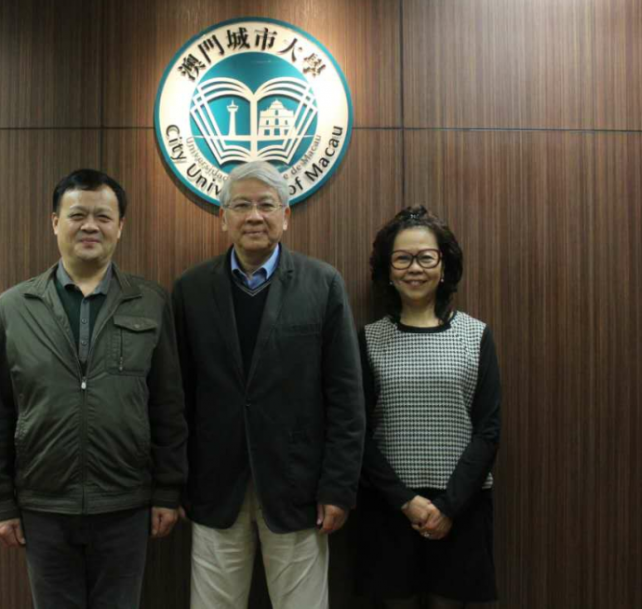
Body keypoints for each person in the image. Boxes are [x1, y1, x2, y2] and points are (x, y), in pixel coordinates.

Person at [0, 169, 187, 609]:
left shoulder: (149, 302)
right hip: (44, 505)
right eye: (77, 215)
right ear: (54, 222)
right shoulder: (14, 306)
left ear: (120, 226)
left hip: (126, 504)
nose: (90, 226)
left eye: (103, 216)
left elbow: (168, 406)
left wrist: (168, 491)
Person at [172, 161, 365, 609]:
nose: (254, 216)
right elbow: (176, 396)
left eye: (265, 205)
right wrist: (173, 483)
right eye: (241, 205)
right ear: (223, 217)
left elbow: (345, 396)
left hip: (299, 486)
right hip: (215, 485)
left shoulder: (323, 284)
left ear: (286, 214)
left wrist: (338, 486)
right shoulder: (191, 289)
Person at [357, 205, 501, 609]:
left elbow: (488, 431)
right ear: (388, 269)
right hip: (390, 506)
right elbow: (358, 433)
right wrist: (406, 500)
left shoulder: (476, 336)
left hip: (462, 505)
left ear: (444, 266)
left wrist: (447, 505)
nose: (413, 268)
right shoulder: (369, 339)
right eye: (402, 258)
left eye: (425, 257)